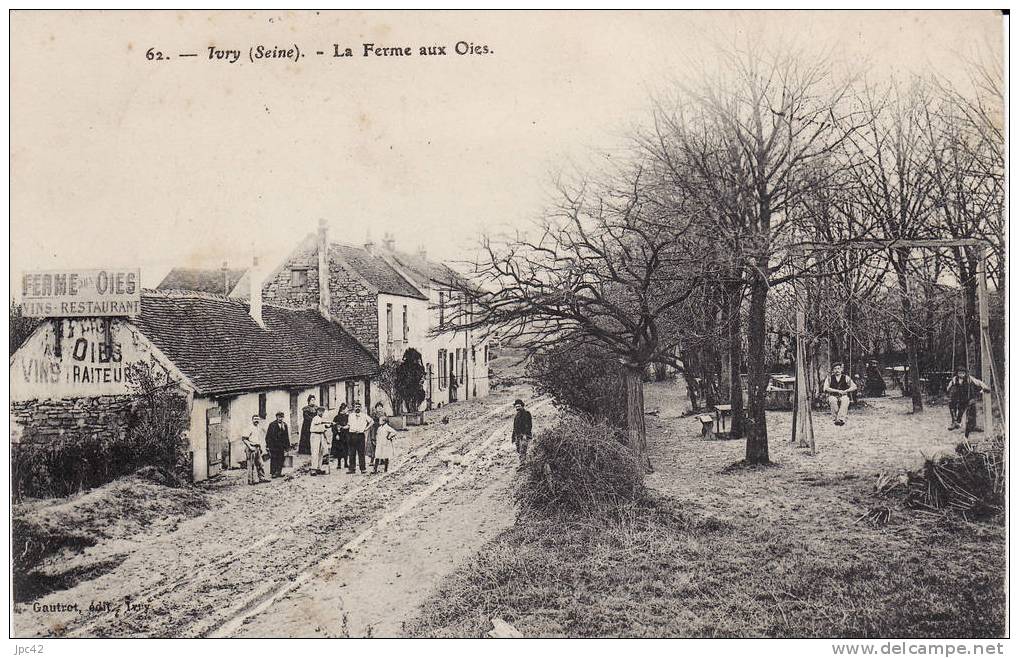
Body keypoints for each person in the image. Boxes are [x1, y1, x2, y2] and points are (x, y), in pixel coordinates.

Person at [946, 367, 992, 437]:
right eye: (959, 373)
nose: (961, 375)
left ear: (965, 373)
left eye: (963, 373)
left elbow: (978, 382)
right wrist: (949, 392)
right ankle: (956, 422)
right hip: (960, 398)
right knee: (958, 410)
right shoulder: (955, 379)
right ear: (957, 373)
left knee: (972, 410)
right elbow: (949, 387)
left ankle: (972, 426)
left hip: (968, 397)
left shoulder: (969, 378)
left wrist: (985, 387)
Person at [241, 414, 269, 484]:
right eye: (255, 419)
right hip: (251, 448)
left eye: (257, 419)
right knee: (251, 465)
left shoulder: (258, 428)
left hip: (257, 448)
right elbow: (244, 439)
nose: (256, 420)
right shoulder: (249, 428)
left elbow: (258, 439)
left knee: (260, 464)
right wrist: (250, 447)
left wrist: (260, 448)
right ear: (252, 420)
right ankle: (251, 480)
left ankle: (262, 478)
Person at [346, 401, 373, 474]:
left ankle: (363, 468)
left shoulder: (364, 415)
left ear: (360, 408)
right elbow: (349, 425)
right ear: (354, 407)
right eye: (356, 406)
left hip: (360, 435)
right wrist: (343, 427)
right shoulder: (350, 415)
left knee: (361, 452)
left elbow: (371, 421)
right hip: (352, 435)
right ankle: (352, 468)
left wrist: (366, 428)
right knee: (352, 452)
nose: (357, 408)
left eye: (358, 406)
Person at [265, 411, 290, 478]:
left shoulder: (284, 425)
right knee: (274, 459)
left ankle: (279, 472)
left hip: (281, 446)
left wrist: (287, 447)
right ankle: (273, 473)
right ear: (276, 417)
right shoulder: (272, 425)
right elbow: (268, 436)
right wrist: (268, 446)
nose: (280, 419)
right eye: (279, 417)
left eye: (282, 417)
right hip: (274, 445)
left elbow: (286, 436)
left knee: (281, 459)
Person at [308, 406, 332, 475]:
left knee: (321, 452)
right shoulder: (316, 418)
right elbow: (321, 422)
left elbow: (325, 426)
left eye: (322, 411)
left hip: (321, 435)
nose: (321, 412)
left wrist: (330, 425)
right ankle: (313, 469)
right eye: (320, 411)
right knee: (315, 452)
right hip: (315, 435)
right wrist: (328, 422)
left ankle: (319, 468)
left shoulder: (321, 419)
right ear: (317, 411)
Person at [511, 399, 532, 468]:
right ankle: (523, 461)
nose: (517, 408)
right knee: (518, 449)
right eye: (516, 407)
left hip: (524, 435)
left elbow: (529, 425)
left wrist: (526, 435)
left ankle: (522, 464)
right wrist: (513, 437)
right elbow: (514, 427)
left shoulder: (527, 414)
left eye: (519, 406)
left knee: (523, 449)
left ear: (522, 406)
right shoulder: (516, 416)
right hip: (518, 436)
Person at [332, 403, 350, 470]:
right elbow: (334, 427)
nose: (347, 410)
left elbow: (350, 425)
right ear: (343, 409)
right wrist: (336, 434)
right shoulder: (336, 417)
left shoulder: (348, 417)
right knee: (339, 449)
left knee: (346, 449)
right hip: (339, 435)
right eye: (346, 409)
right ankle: (339, 464)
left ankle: (346, 463)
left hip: (346, 435)